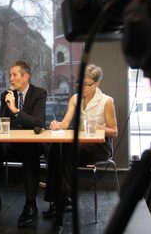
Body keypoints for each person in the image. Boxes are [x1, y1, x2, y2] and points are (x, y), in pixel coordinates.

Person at [43, 64, 118, 218]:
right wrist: (57, 126)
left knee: (63, 152)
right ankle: (62, 200)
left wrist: (96, 127)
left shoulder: (106, 101)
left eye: (87, 84)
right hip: (79, 146)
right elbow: (65, 124)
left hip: (100, 147)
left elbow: (114, 132)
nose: (82, 87)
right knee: (58, 150)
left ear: (97, 84)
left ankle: (60, 201)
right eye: (80, 83)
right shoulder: (75, 99)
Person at [0, 60, 47, 227]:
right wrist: (8, 105)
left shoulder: (39, 93)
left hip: (31, 144)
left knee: (30, 152)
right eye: (10, 75)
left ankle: (30, 204)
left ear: (26, 76)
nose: (11, 78)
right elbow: (0, 123)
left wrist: (16, 111)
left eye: (14, 75)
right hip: (11, 144)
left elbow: (38, 122)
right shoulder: (7, 95)